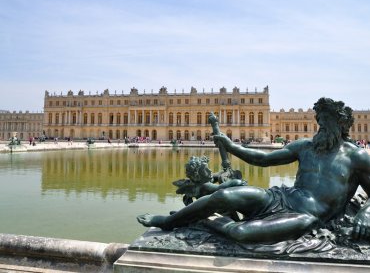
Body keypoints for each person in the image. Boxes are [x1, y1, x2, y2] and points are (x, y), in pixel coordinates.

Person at [138, 98, 370, 242]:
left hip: (307, 217)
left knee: (241, 233)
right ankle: (168, 222)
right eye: (317, 121)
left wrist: (365, 214)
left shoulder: (357, 156)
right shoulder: (306, 147)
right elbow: (262, 159)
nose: (318, 126)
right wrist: (231, 146)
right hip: (282, 198)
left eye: (323, 122)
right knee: (224, 195)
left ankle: (207, 220)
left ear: (340, 124)